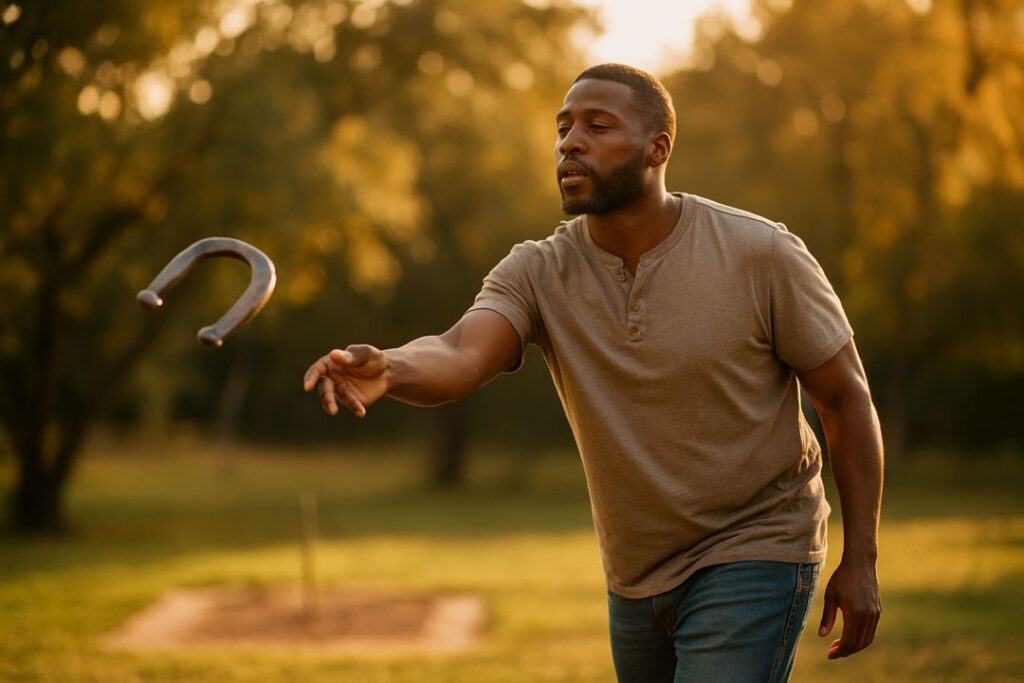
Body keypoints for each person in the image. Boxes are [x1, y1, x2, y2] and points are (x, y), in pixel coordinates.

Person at [303, 63, 882, 682]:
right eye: (563, 128)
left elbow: (845, 401)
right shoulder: (538, 270)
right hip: (633, 575)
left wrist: (862, 559)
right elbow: (460, 353)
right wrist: (389, 368)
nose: (570, 142)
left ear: (658, 148)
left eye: (597, 126)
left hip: (756, 547)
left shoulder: (760, 254)